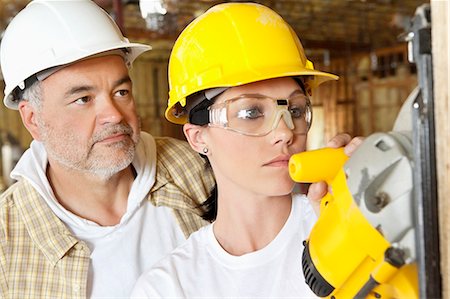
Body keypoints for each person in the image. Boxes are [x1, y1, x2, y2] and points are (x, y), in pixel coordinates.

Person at [131, 2, 362, 298]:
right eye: (251, 113)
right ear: (198, 137)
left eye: (294, 109)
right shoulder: (169, 288)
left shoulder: (342, 226)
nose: (284, 132)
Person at [0, 1, 216, 298]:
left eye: (121, 92)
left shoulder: (195, 169)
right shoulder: (7, 240)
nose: (114, 114)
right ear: (33, 120)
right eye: (83, 99)